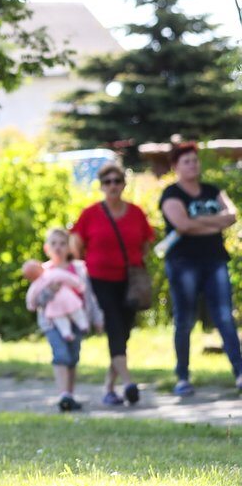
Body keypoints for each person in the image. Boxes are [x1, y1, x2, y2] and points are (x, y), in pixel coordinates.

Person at [159, 141, 242, 396]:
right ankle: (182, 376)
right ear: (175, 166)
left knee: (224, 317)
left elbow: (232, 215)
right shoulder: (171, 194)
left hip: (215, 259)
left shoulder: (211, 189)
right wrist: (214, 223)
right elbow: (182, 225)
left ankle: (239, 372)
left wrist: (199, 221)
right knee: (185, 320)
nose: (193, 165)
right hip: (183, 263)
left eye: (195, 160)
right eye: (186, 161)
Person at [70, 162, 155, 406]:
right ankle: (128, 383)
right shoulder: (91, 214)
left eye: (117, 181)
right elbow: (76, 241)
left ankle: (109, 387)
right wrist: (83, 263)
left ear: (124, 184)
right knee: (115, 326)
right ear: (101, 186)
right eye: (107, 182)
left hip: (129, 281)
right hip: (100, 280)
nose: (113, 186)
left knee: (124, 333)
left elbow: (146, 242)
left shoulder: (136, 213)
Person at [27, 228, 102, 412]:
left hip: (77, 319)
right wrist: (50, 290)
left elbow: (89, 296)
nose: (58, 248)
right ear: (47, 248)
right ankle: (63, 395)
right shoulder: (42, 272)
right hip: (53, 321)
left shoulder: (78, 269)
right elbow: (35, 301)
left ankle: (69, 394)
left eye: (62, 243)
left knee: (73, 356)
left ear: (69, 247)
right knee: (61, 354)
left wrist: (96, 318)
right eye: (54, 244)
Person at [22, 259, 88, 342]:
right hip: (57, 306)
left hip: (66, 301)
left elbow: (67, 278)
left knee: (76, 313)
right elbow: (31, 298)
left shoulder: (52, 273)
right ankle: (68, 333)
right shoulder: (39, 283)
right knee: (62, 318)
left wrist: (79, 286)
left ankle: (82, 326)